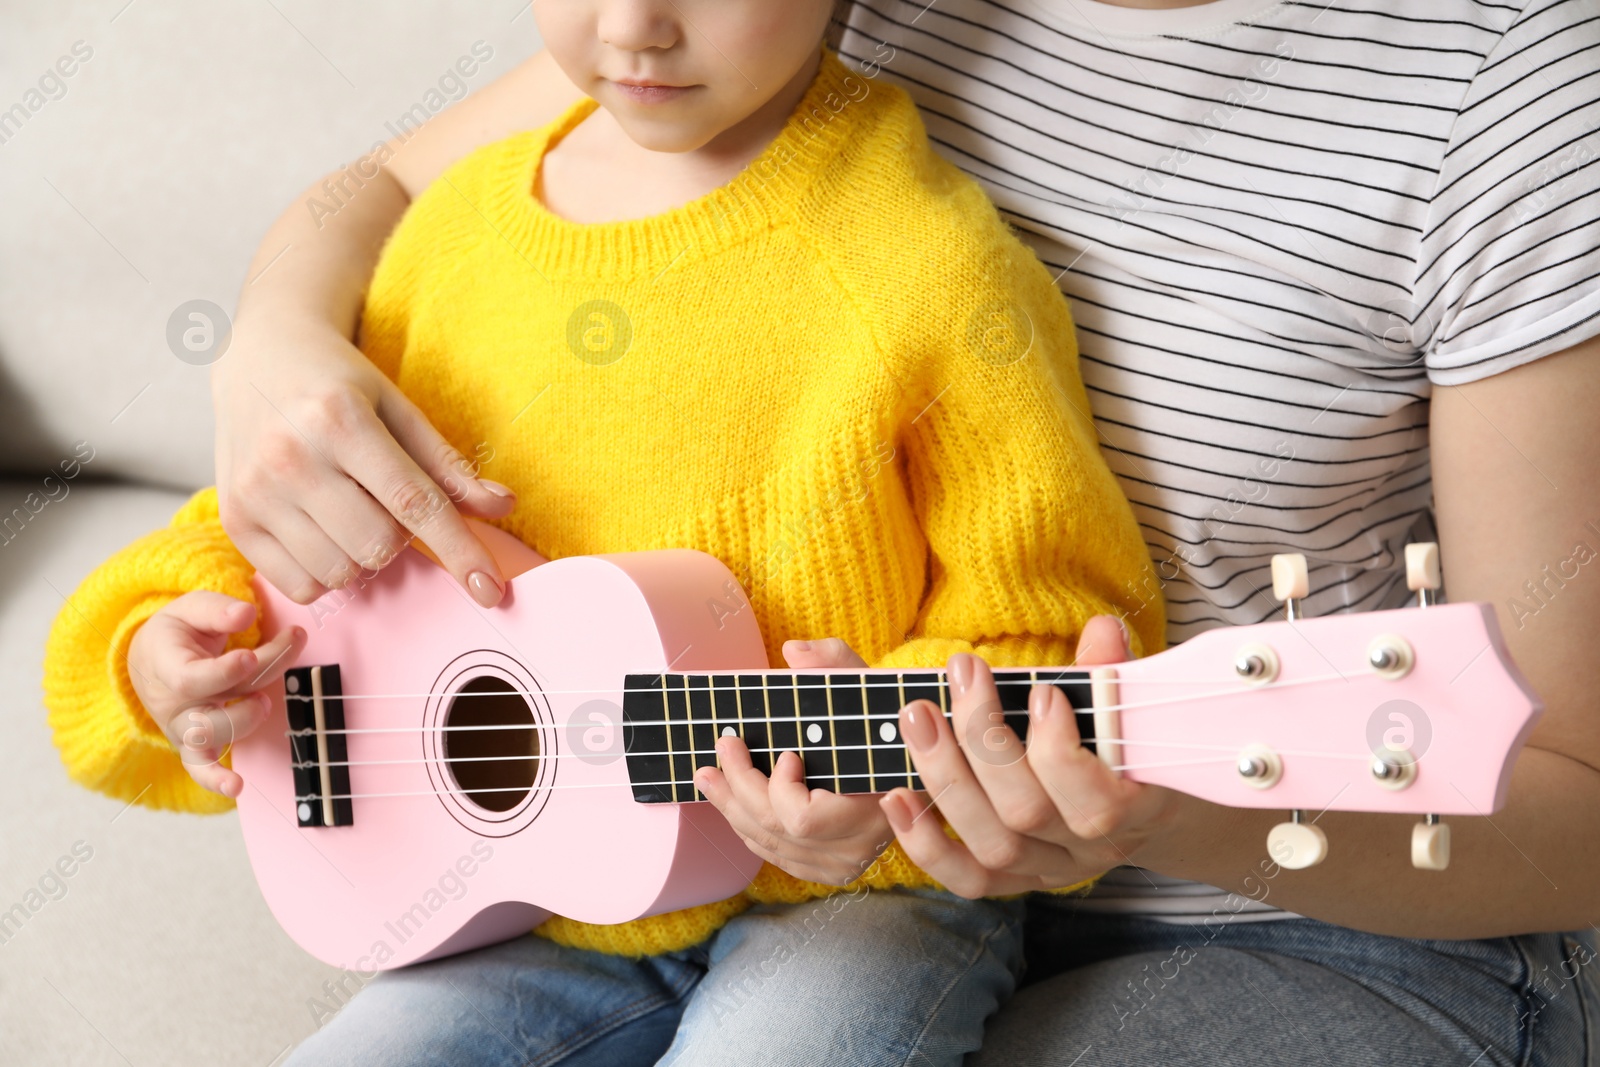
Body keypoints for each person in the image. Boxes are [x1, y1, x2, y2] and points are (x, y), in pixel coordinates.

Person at [198, 0, 1600, 1063]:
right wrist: (266, 347)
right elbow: (372, 199)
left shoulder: (1509, 91)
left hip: (1314, 910)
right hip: (777, 876)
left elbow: (1575, 796)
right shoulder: (772, 25)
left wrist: (1162, 804)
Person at [41, 2, 1169, 1065]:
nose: (633, 25)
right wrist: (156, 655)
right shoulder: (450, 242)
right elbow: (261, 539)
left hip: (852, 902)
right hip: (518, 910)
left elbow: (1048, 637)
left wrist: (881, 804)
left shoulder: (934, 271)